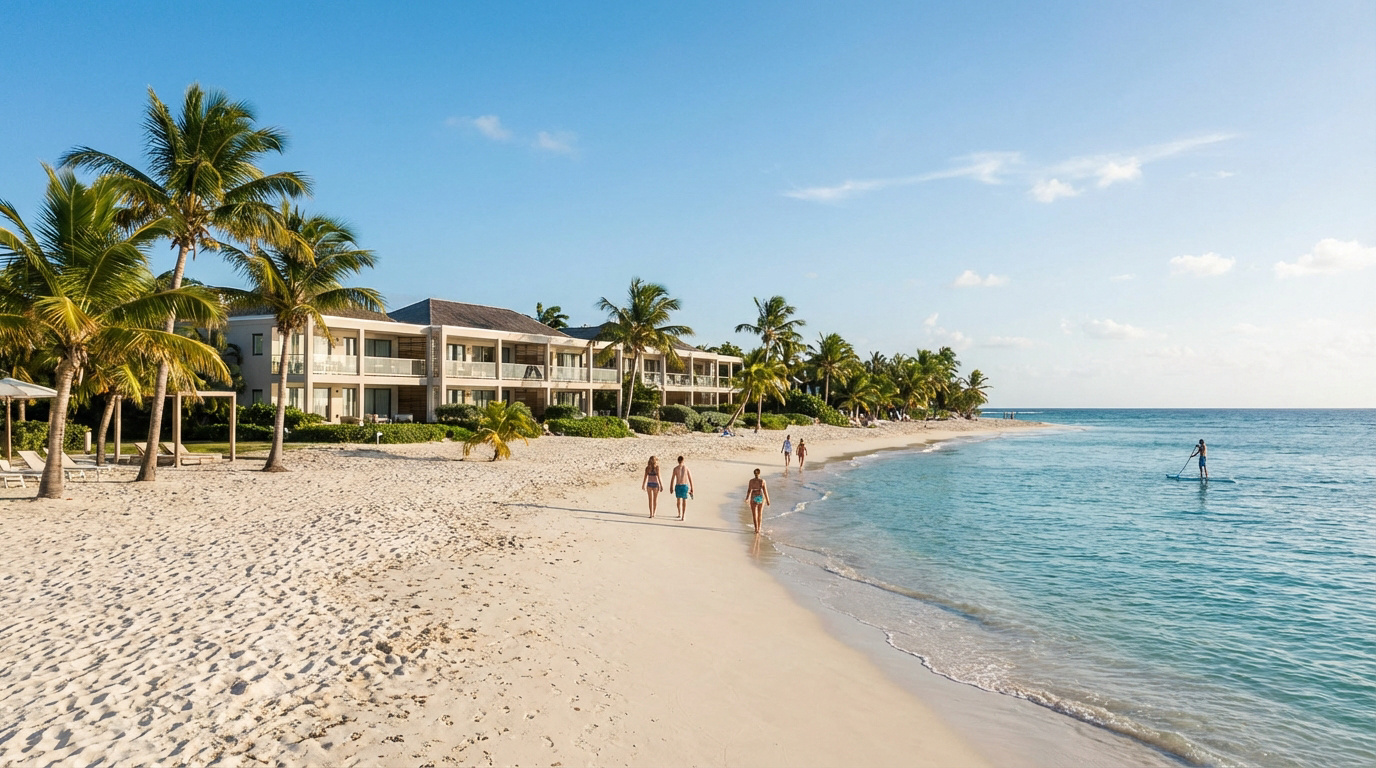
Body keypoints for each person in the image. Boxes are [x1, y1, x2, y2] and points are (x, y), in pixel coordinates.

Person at [745, 468, 770, 534]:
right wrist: (768, 500)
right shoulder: (762, 481)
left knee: (754, 514)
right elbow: (765, 491)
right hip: (760, 496)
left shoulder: (751, 481)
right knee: (760, 513)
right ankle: (759, 528)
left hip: (753, 496)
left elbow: (749, 490)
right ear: (759, 473)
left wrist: (747, 498)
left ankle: (756, 529)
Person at [670, 455, 694, 521]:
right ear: (683, 461)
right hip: (684, 486)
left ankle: (679, 513)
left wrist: (671, 487)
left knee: (678, 501)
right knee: (684, 501)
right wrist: (692, 488)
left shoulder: (675, 469)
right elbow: (690, 479)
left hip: (678, 485)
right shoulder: (686, 468)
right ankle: (683, 516)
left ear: (678, 461)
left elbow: (672, 479)